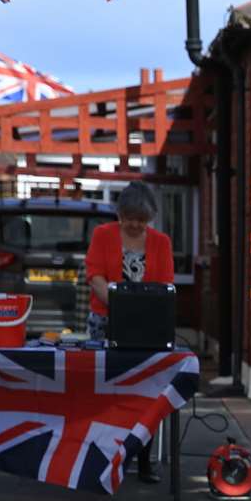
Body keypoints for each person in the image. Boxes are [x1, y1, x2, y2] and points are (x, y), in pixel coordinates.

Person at [85, 181, 175, 482]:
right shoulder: (102, 235)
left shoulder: (161, 243)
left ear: (150, 217)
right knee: (105, 390)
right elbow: (94, 275)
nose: (134, 224)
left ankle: (144, 460)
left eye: (141, 219)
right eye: (128, 218)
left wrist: (138, 309)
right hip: (104, 320)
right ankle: (103, 456)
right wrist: (120, 304)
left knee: (145, 391)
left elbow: (165, 286)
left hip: (146, 327)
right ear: (119, 214)